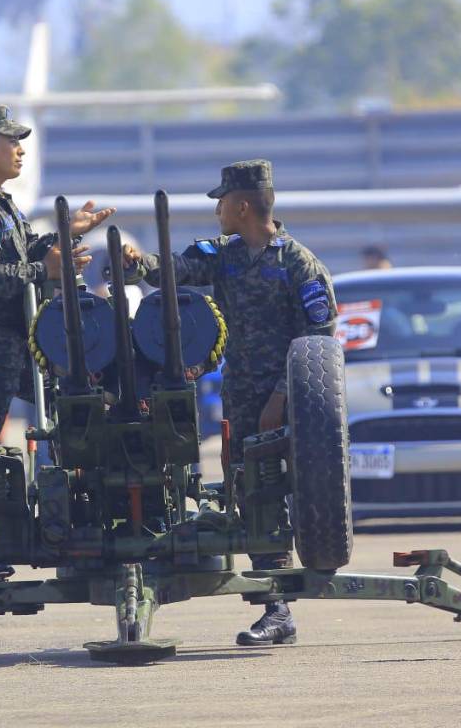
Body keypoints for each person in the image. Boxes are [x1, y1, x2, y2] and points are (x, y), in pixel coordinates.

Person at [123, 158, 337, 648]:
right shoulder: (225, 255)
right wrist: (137, 263)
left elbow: (319, 336)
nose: (217, 210)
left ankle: (282, 601)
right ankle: (275, 607)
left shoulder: (299, 264)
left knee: (284, 494)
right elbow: (176, 270)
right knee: (249, 492)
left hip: (289, 401)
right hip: (242, 396)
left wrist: (280, 398)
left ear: (242, 207)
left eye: (222, 202)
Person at [0, 103, 113, 445]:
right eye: (12, 141)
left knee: (76, 403)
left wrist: (66, 233)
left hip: (16, 341)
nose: (20, 150)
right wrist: (45, 269)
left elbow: (28, 248)